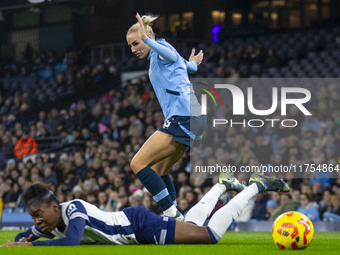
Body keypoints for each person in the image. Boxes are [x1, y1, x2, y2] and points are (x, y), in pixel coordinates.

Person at [1, 173, 289, 246]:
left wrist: (31, 246)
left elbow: (73, 241)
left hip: (140, 226)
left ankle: (256, 186)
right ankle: (222, 185)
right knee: (193, 225)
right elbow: (33, 232)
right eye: (34, 217)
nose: (38, 221)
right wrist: (26, 238)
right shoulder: (48, 221)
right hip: (134, 222)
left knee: (210, 235)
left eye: (39, 214)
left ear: (55, 206)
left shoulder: (74, 209)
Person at [126, 13, 206, 219]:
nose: (134, 49)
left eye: (136, 43)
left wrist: (148, 42)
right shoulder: (156, 55)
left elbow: (170, 56)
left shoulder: (162, 48)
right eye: (131, 46)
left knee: (137, 164)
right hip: (191, 117)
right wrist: (193, 64)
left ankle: (172, 215)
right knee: (159, 171)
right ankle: (173, 217)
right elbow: (185, 66)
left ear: (148, 36)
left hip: (184, 116)